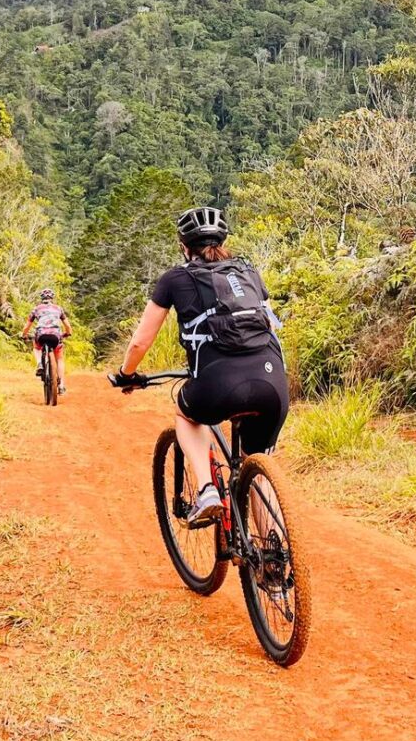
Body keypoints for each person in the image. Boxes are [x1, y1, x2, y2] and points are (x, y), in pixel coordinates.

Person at [112, 206, 287, 525]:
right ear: (223, 240)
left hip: (216, 385)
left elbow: (140, 341)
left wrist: (126, 374)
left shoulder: (175, 278)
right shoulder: (249, 273)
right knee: (256, 464)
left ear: (183, 245)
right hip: (272, 383)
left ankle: (206, 488)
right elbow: (271, 326)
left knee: (188, 413)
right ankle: (273, 557)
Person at [22, 288, 71, 393]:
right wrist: (68, 333)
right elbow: (67, 325)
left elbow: (27, 327)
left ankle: (40, 363)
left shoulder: (36, 309)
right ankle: (61, 385)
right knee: (60, 359)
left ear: (42, 298)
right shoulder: (58, 309)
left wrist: (24, 335)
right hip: (55, 335)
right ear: (52, 298)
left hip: (41, 335)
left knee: (36, 347)